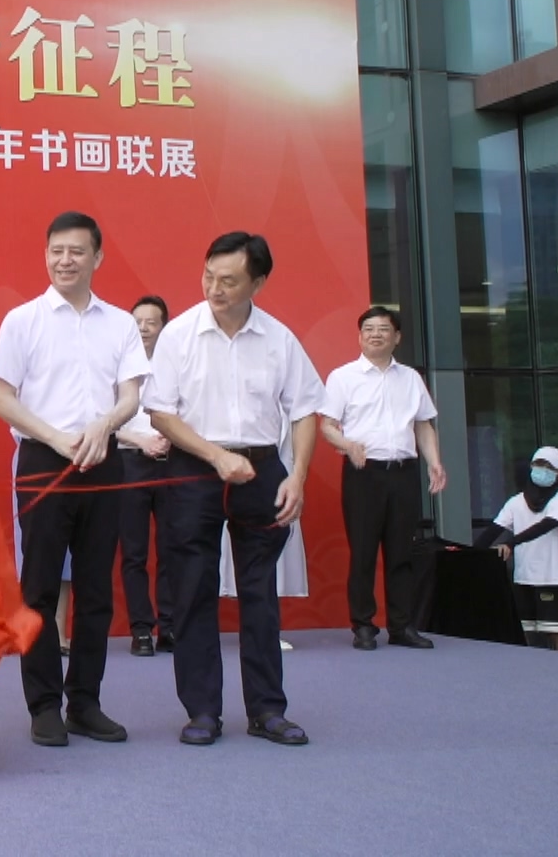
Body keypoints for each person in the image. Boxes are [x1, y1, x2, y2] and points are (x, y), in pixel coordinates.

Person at [144, 232, 325, 748]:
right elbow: (160, 413)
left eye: (229, 280)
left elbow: (306, 409)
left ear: (258, 283)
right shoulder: (180, 335)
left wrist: (298, 475)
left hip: (261, 470)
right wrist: (215, 455)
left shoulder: (279, 339)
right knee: (193, 590)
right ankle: (202, 710)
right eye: (209, 276)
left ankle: (267, 709)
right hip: (194, 469)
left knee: (259, 593)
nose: (214, 289)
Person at [0, 211, 147, 748]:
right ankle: (44, 705)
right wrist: (56, 438)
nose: (65, 260)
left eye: (76, 251)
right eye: (56, 251)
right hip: (43, 462)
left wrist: (105, 424)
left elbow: (131, 396)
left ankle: (85, 702)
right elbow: (1, 398)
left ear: (97, 257)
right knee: (39, 588)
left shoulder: (120, 324)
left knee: (96, 589)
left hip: (103, 461)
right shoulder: (23, 320)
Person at [320, 305, 448, 651]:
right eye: (369, 329)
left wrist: (434, 462)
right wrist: (348, 445)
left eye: (383, 329)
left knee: (402, 552)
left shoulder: (411, 378)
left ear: (397, 337)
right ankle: (363, 626)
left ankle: (402, 626)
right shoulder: (343, 377)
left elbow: (423, 424)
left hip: (403, 472)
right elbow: (327, 426)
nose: (376, 334)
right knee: (363, 552)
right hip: (364, 473)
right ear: (360, 336)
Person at [476, 447, 558, 652]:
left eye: (548, 466)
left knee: (556, 633)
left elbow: (543, 527)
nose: (542, 470)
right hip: (523, 578)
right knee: (524, 634)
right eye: (538, 464)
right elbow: (493, 531)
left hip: (552, 579)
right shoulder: (516, 502)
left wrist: (511, 544)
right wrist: (467, 553)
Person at [118, 294, 175, 657]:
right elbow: (105, 422)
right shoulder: (118, 366)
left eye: (151, 322)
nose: (144, 329)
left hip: (170, 463)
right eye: (137, 322)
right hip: (129, 463)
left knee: (171, 549)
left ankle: (170, 626)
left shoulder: (176, 365)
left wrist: (169, 438)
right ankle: (141, 629)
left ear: (163, 327)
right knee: (133, 552)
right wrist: (140, 439)